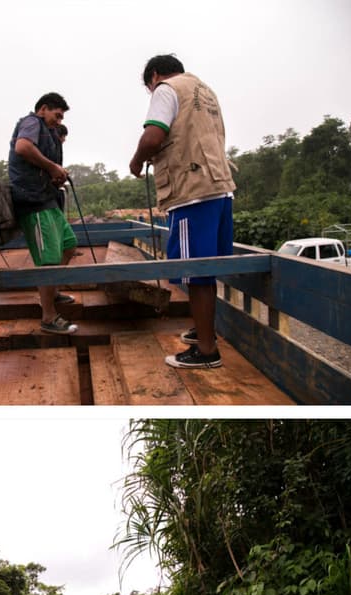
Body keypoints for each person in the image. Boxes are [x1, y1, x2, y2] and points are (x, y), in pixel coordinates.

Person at [129, 54, 235, 369]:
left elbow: (153, 136)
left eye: (149, 87)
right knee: (205, 271)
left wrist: (137, 161)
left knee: (196, 274)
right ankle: (204, 333)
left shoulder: (166, 89)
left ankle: (206, 352)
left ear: (155, 76)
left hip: (192, 193)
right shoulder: (205, 90)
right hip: (219, 188)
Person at [8, 92, 79, 333]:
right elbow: (23, 146)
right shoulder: (31, 123)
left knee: (69, 245)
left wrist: (56, 176)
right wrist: (52, 167)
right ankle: (48, 317)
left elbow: (44, 165)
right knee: (47, 260)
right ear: (43, 109)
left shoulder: (50, 134)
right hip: (32, 201)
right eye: (57, 115)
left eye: (61, 118)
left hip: (47, 198)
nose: (59, 121)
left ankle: (53, 291)